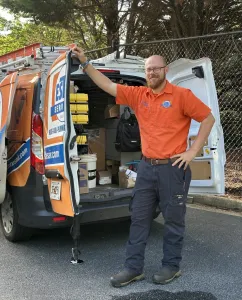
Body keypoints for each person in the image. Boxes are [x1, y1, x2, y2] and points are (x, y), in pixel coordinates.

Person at [72, 47, 215, 287]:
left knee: (173, 220)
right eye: (148, 69)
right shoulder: (139, 96)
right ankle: (133, 268)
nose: (152, 73)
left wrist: (192, 152)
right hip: (147, 168)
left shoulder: (182, 95)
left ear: (165, 70)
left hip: (173, 168)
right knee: (138, 219)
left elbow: (208, 118)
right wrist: (85, 64)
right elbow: (108, 86)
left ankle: (171, 265)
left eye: (156, 68)